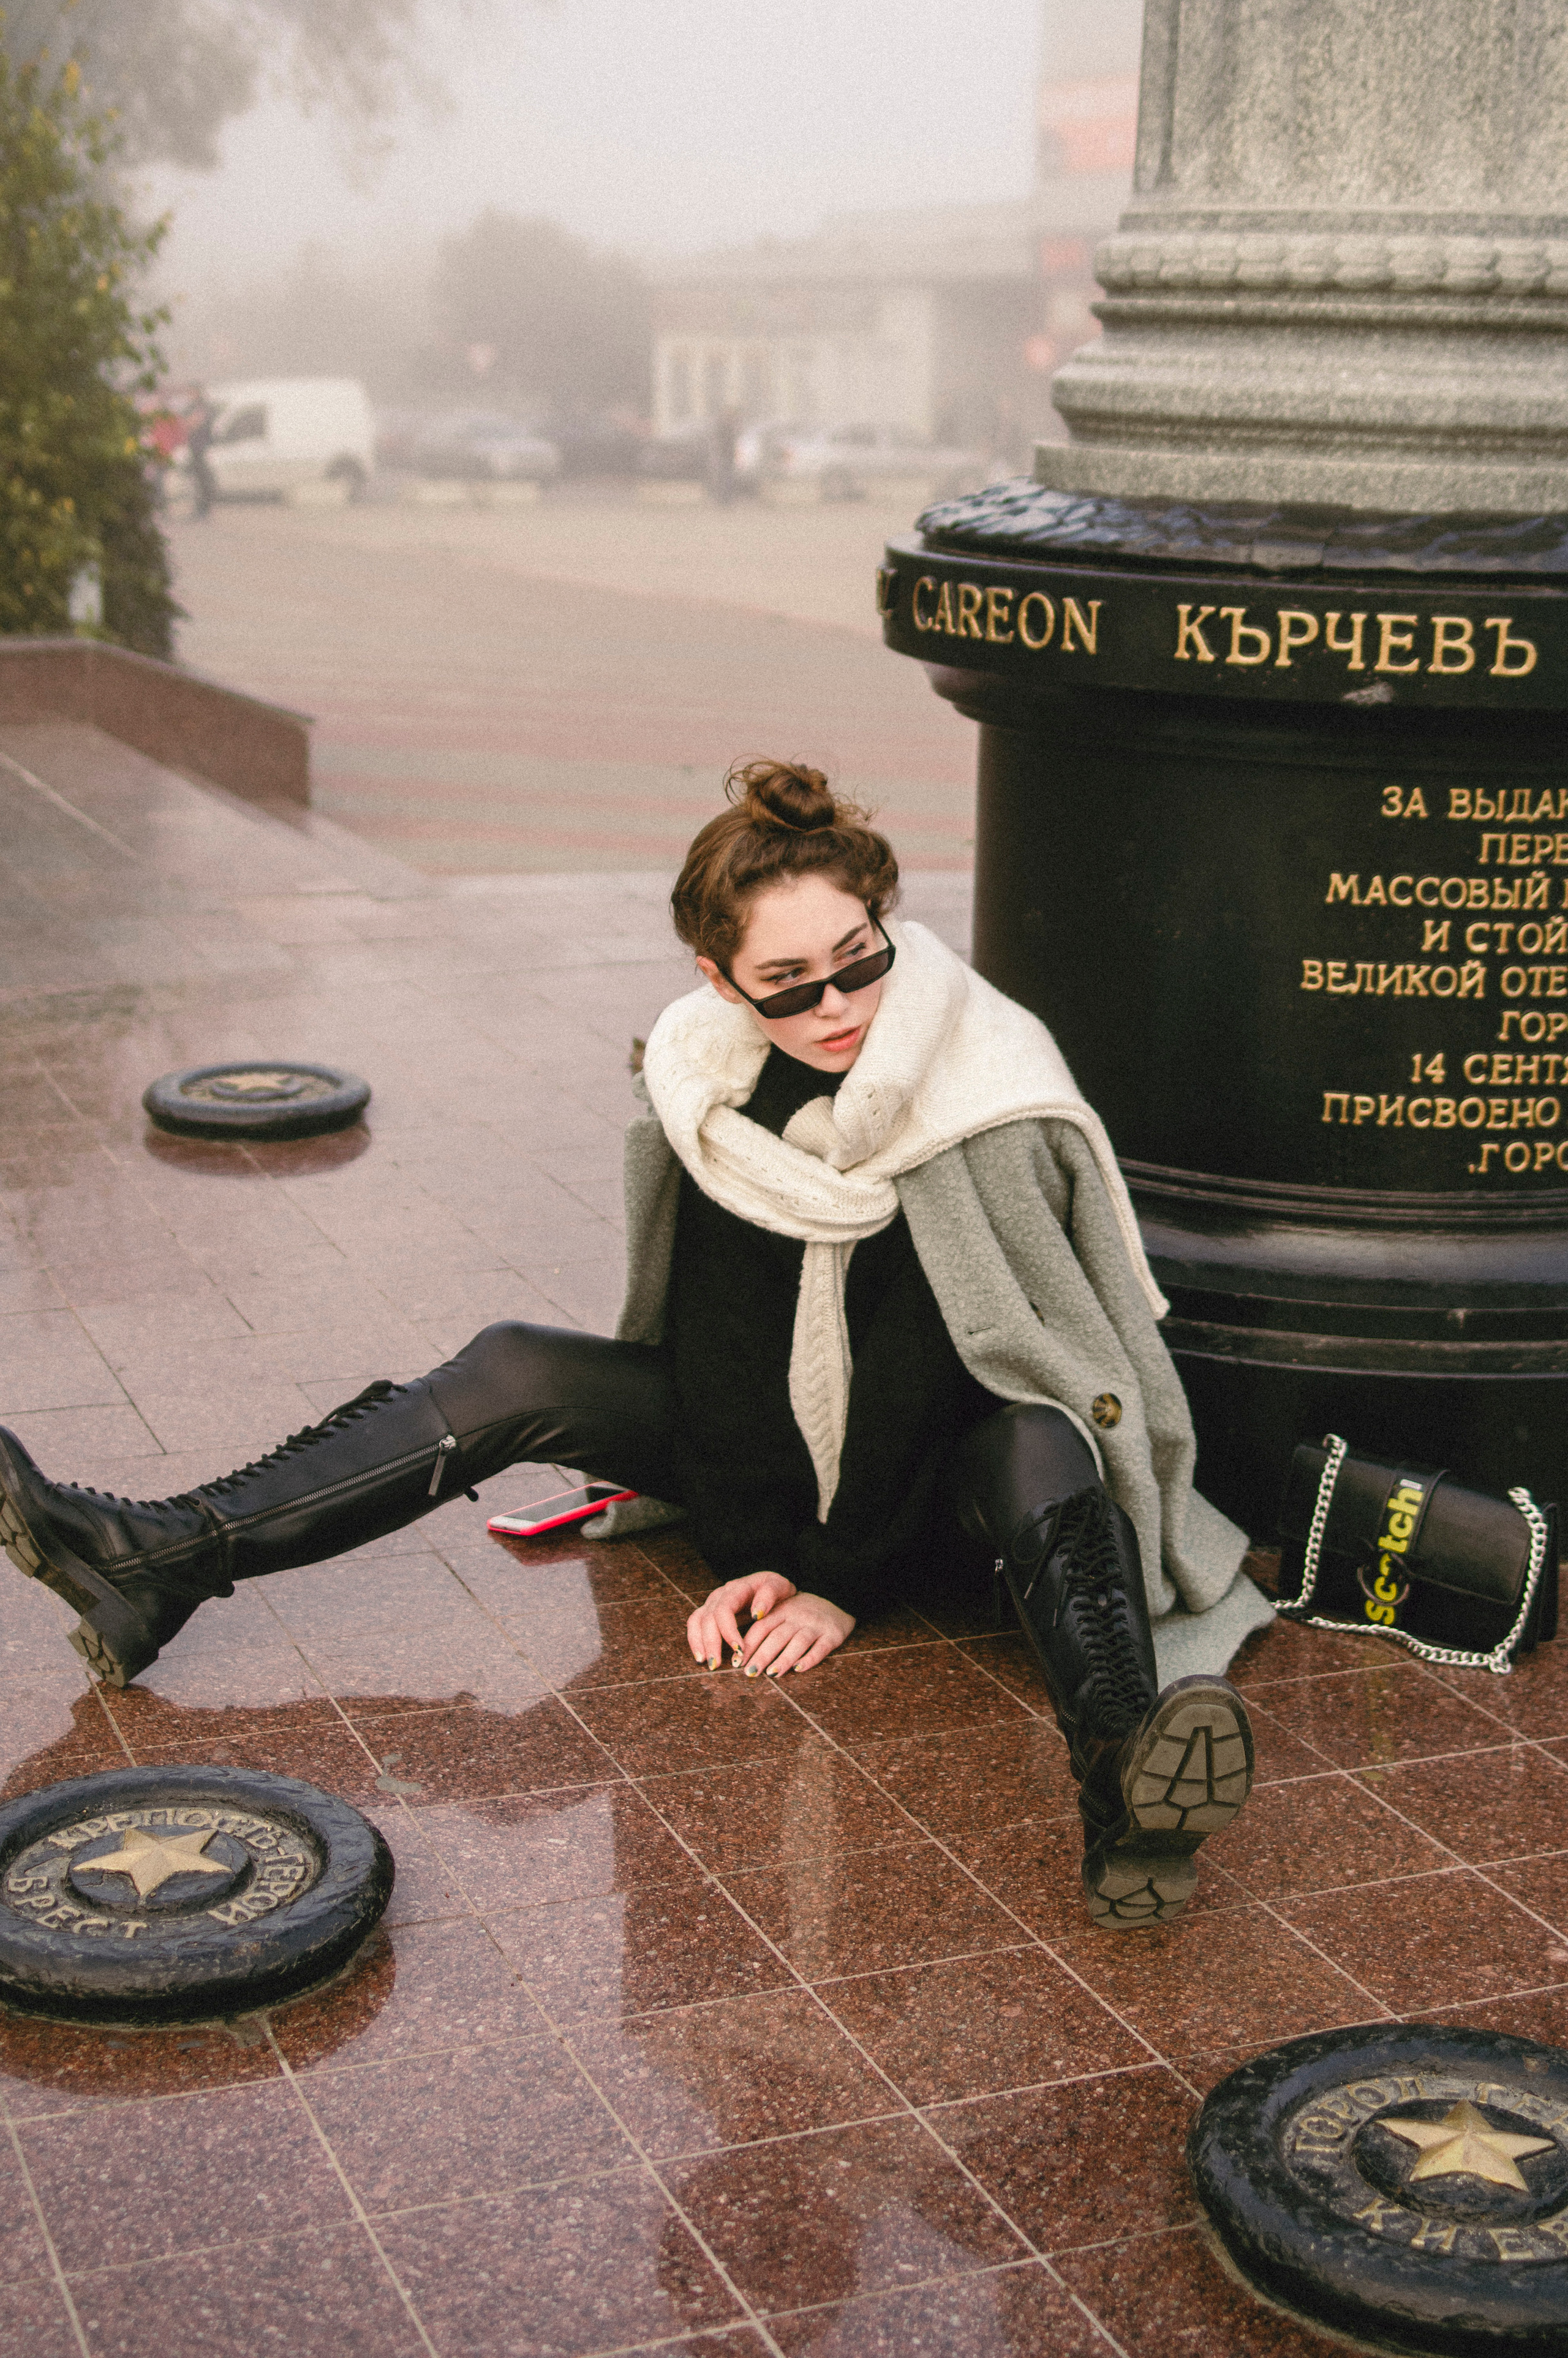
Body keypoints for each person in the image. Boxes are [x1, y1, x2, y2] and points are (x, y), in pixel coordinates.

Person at [0, 763, 1270, 1930]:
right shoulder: (704, 1092)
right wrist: (753, 1549)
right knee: (517, 1362)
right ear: (721, 982)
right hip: (778, 1440)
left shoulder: (976, 1080)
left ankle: (1120, 1782)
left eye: (858, 960)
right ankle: (168, 1553)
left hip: (945, 1468)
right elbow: (717, 1346)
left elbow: (945, 1356)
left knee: (1039, 1441)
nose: (837, 1006)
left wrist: (831, 1578)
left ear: (885, 923)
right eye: (790, 982)